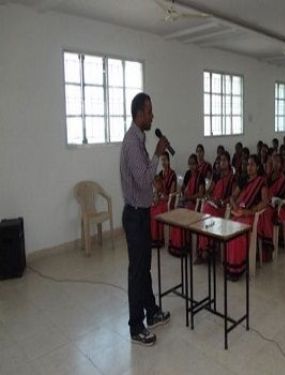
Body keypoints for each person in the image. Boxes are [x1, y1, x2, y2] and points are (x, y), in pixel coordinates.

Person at [120, 92, 170, 346]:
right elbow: (142, 179)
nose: (153, 115)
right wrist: (157, 155)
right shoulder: (132, 143)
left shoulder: (139, 139)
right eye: (149, 111)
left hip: (142, 213)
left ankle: (151, 312)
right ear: (139, 114)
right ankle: (135, 326)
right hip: (135, 215)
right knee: (137, 271)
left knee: (144, 268)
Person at [227, 155, 268, 280]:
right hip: (239, 213)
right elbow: (232, 197)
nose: (249, 167)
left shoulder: (261, 181)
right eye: (248, 164)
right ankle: (230, 265)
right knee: (229, 228)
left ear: (258, 167)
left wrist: (248, 212)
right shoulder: (243, 179)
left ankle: (237, 268)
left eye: (252, 165)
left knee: (237, 232)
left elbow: (265, 202)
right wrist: (235, 208)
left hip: (252, 216)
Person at [196, 152, 236, 262]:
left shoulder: (233, 178)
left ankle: (206, 251)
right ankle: (205, 250)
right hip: (213, 205)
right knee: (205, 213)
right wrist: (210, 198)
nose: (221, 163)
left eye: (224, 160)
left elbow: (233, 196)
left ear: (229, 163)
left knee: (206, 213)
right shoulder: (217, 176)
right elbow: (208, 192)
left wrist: (222, 201)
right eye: (220, 161)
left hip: (223, 208)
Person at [169, 154, 205, 256]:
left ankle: (185, 245)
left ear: (197, 164)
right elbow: (183, 187)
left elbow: (201, 194)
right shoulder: (188, 173)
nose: (191, 166)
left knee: (183, 215)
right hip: (186, 201)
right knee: (177, 213)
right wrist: (181, 194)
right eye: (189, 164)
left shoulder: (200, 176)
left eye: (193, 164)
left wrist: (189, 198)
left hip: (194, 204)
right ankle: (177, 245)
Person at [258, 154, 285, 260]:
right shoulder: (268, 176)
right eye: (272, 161)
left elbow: (282, 198)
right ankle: (257, 247)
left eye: (277, 162)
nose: (274, 164)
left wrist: (271, 200)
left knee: (264, 213)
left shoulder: (283, 179)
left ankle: (267, 248)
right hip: (267, 203)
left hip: (277, 208)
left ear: (281, 164)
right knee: (256, 211)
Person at [150, 152, 177, 247]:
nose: (163, 162)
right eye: (162, 160)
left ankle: (160, 238)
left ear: (169, 161)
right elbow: (158, 187)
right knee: (151, 209)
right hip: (161, 199)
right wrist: (156, 193)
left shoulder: (173, 174)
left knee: (158, 211)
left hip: (169, 201)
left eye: (165, 160)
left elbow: (172, 193)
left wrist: (164, 196)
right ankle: (153, 237)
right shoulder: (161, 173)